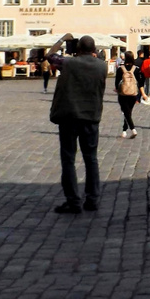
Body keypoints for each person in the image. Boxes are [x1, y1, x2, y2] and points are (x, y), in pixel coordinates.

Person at [49, 35, 107, 214]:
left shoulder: (68, 63)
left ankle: (73, 200)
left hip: (69, 116)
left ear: (78, 49)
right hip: (90, 116)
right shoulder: (102, 66)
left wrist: (62, 39)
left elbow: (50, 55)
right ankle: (93, 199)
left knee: (68, 159)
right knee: (91, 159)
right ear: (94, 49)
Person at [114, 54, 140, 139]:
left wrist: (118, 89)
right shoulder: (136, 69)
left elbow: (117, 82)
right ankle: (124, 131)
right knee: (128, 112)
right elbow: (139, 83)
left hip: (123, 94)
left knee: (126, 112)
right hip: (133, 94)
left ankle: (133, 129)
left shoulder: (120, 69)